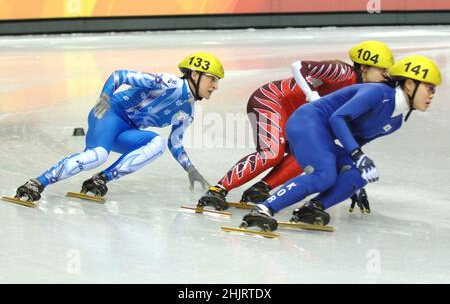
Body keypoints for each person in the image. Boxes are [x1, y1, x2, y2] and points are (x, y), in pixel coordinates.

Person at [239, 55, 441, 231]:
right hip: (307, 122)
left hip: (323, 133)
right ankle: (264, 208)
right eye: (429, 88)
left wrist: (351, 183)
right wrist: (356, 155)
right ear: (409, 84)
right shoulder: (377, 93)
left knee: (359, 174)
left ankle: (313, 208)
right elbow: (338, 118)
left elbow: (353, 142)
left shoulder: (395, 121)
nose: (432, 95)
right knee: (324, 175)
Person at [197, 41, 394, 211]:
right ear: (364, 68)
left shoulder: (366, 96)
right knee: (271, 152)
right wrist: (312, 96)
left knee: (311, 153)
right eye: (382, 70)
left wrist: (354, 184)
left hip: (300, 119)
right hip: (272, 99)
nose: (385, 76)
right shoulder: (342, 72)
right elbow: (299, 66)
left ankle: (261, 188)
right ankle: (218, 189)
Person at [13, 52, 224, 202]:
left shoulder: (188, 112)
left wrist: (191, 168)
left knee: (157, 143)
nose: (215, 86)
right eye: (212, 79)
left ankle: (100, 179)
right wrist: (105, 97)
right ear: (195, 75)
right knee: (97, 156)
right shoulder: (167, 82)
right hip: (110, 114)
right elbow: (119, 75)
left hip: (127, 130)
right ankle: (37, 183)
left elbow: (174, 143)